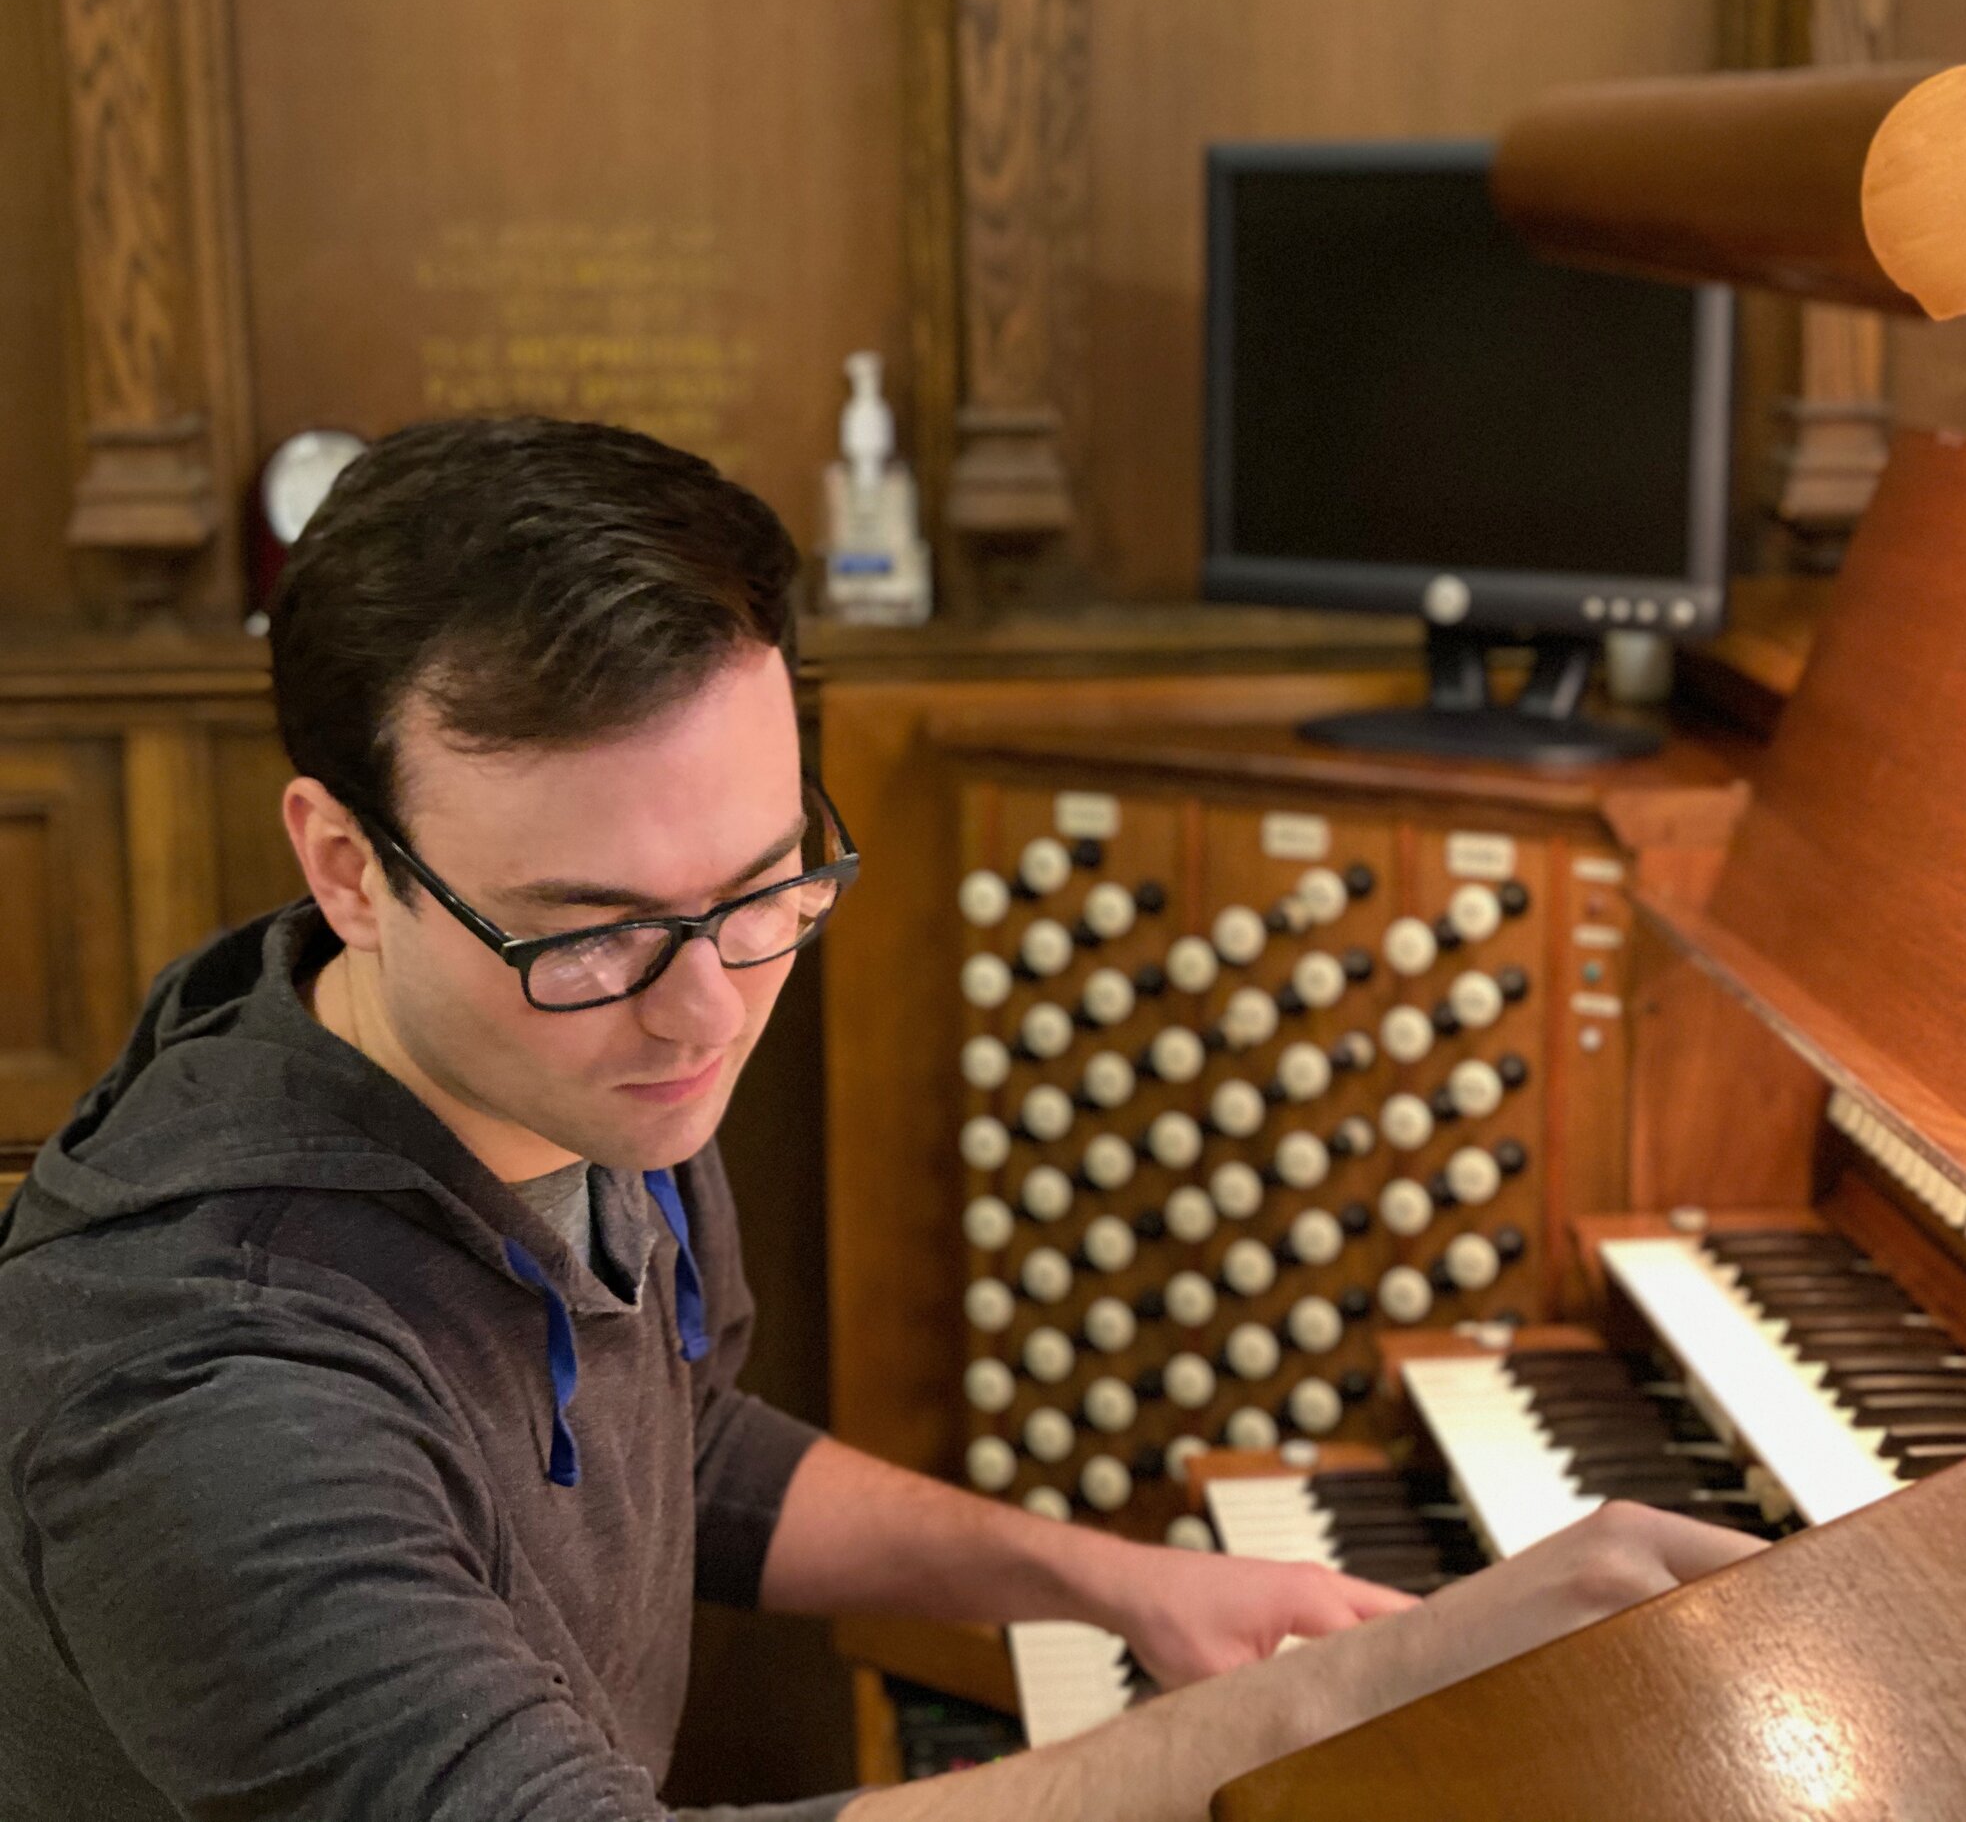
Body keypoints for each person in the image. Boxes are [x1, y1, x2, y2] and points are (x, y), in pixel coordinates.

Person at [0, 417, 1763, 1820]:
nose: (706, 1010)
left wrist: (1114, 1582)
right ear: (347, 866)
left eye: (763, 888)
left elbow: (674, 1446)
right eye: (595, 928)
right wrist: (1331, 1698)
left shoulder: (561, 1074)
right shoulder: (207, 1390)